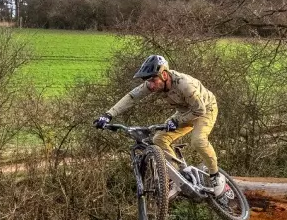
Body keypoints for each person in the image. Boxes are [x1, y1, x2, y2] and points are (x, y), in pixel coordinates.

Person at [94, 55, 225, 196]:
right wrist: (108, 114)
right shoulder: (154, 82)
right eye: (148, 81)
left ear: (164, 74)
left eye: (152, 80)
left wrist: (177, 121)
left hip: (205, 110)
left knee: (198, 141)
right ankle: (177, 178)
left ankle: (215, 175)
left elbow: (199, 110)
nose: (150, 85)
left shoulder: (185, 84)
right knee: (159, 139)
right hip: (184, 112)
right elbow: (132, 97)